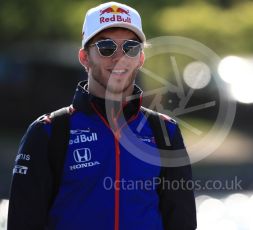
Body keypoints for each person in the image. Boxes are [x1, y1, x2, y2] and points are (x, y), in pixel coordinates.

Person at [7, 2, 197, 230]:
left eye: (131, 47)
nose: (119, 57)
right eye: (106, 47)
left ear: (141, 59)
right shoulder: (47, 131)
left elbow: (182, 224)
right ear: (84, 57)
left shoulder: (166, 131)